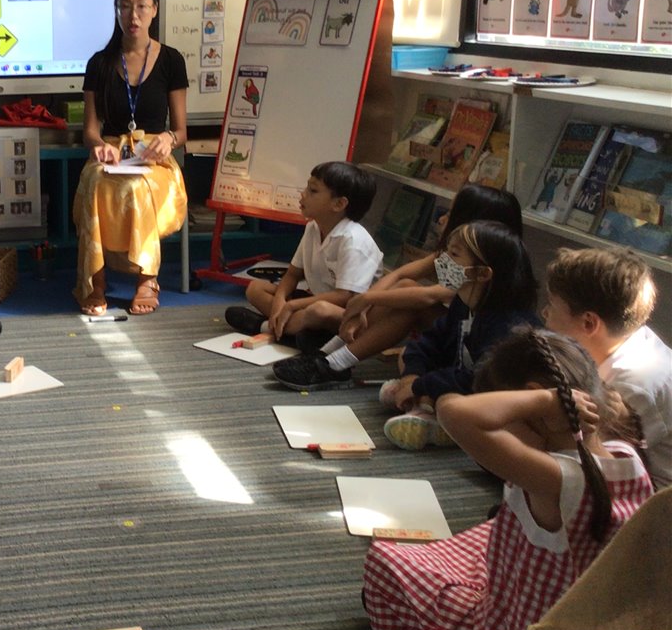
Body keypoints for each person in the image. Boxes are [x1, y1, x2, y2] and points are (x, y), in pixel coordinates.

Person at [362, 328, 653, 630]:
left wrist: (544, 401)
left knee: (385, 563)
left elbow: (453, 412)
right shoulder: (627, 455)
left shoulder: (556, 478)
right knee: (487, 531)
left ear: (537, 402)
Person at [274, 184, 523, 390]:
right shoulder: (457, 253)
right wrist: (364, 305)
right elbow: (403, 273)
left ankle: (335, 363)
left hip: (467, 344)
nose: (442, 219)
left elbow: (430, 295)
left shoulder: (479, 267)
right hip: (453, 330)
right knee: (403, 287)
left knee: (409, 305)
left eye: (451, 213)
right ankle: (328, 355)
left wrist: (366, 300)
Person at [74, 0, 189, 316]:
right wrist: (98, 145)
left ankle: (147, 278)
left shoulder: (172, 60)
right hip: (111, 153)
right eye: (125, 6)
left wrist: (169, 138)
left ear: (155, 9)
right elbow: (90, 131)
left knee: (139, 187)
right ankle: (95, 280)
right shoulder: (99, 63)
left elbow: (181, 131)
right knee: (95, 182)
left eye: (141, 6)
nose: (133, 15)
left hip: (154, 157)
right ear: (116, 10)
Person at [374, 220, 540, 449]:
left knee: (450, 402)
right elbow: (429, 341)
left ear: (482, 273)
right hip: (464, 377)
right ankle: (423, 408)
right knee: (407, 355)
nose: (442, 261)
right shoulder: (463, 303)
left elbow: (479, 379)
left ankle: (429, 414)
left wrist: (422, 385)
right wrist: (412, 377)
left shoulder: (510, 325)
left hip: (491, 397)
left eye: (453, 254)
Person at [541, 246, 670, 488]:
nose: (544, 313)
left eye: (552, 305)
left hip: (650, 498)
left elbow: (597, 462)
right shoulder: (629, 338)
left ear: (589, 323)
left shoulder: (632, 384)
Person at [226, 161, 381, 356]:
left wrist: (292, 305)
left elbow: (345, 296)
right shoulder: (313, 227)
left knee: (319, 311)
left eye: (313, 191)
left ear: (339, 204)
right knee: (255, 288)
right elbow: (292, 274)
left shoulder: (354, 240)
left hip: (350, 315)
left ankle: (265, 327)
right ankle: (290, 330)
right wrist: (280, 302)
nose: (303, 194)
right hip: (312, 301)